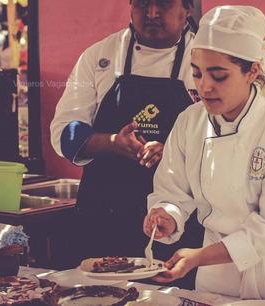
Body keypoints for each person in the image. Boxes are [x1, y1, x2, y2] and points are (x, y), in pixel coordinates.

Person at [144, 5, 265, 300]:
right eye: (197, 74)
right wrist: (167, 215)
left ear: (252, 71)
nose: (205, 87)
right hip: (215, 278)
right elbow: (172, 190)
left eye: (219, 76)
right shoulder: (190, 121)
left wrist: (199, 256)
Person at [50, 0, 203, 288]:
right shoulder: (99, 57)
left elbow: (221, 140)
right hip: (104, 212)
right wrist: (111, 143)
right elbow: (64, 133)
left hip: (175, 220)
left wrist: (173, 152)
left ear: (187, 9)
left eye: (164, 4)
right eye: (143, 3)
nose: (152, 13)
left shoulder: (202, 60)